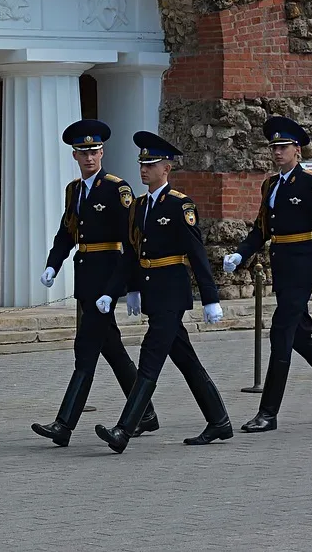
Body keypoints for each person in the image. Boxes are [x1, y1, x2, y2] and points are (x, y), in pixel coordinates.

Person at [222, 116, 312, 433]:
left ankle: (268, 413)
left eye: (283, 146)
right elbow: (261, 229)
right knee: (300, 338)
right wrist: (241, 253)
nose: (277, 152)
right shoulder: (270, 185)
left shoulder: (311, 184)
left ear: (296, 149)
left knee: (280, 333)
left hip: (302, 265)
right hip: (282, 266)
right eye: (274, 146)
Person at [93, 130, 232, 454]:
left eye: (151, 163)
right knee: (187, 361)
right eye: (142, 163)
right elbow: (132, 255)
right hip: (154, 295)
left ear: (166, 168)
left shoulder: (179, 205)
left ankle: (124, 430)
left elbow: (196, 254)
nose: (144, 169)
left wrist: (211, 299)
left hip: (172, 294)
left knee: (149, 358)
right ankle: (219, 421)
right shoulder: (139, 206)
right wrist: (120, 291)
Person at [31, 119, 159, 447]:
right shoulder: (74, 190)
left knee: (86, 349)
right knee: (112, 348)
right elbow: (67, 232)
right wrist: (52, 264)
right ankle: (145, 413)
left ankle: (64, 424)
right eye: (83, 152)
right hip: (86, 277)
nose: (90, 157)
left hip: (108, 277)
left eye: (95, 151)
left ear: (103, 152)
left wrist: (130, 287)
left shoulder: (117, 189)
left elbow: (132, 241)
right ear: (74, 155)